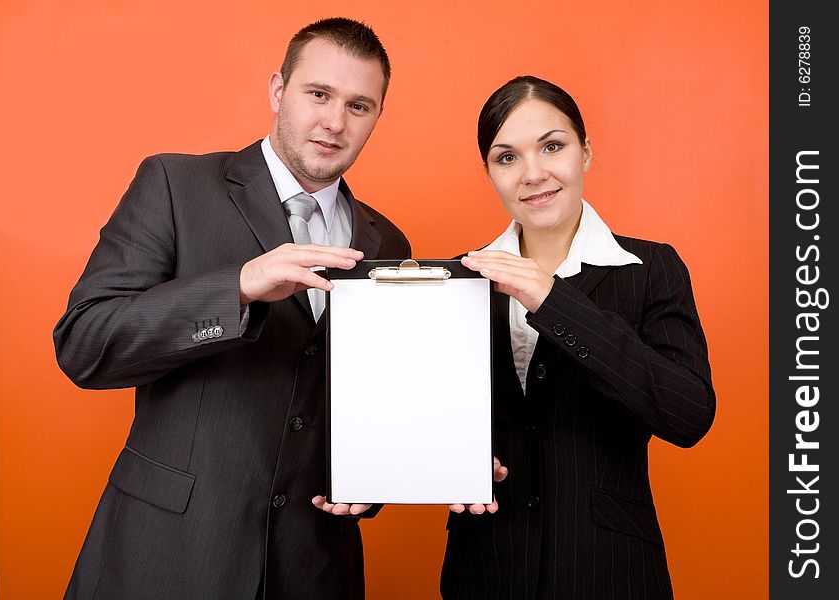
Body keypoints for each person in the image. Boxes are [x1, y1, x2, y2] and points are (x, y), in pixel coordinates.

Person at [53, 17, 410, 600]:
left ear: (376, 118)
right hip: (171, 555)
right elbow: (85, 346)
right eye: (318, 94)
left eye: (359, 105)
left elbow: (371, 399)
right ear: (278, 90)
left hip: (316, 567)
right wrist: (239, 286)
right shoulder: (175, 183)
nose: (334, 122)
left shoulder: (388, 244)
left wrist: (378, 477)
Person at [441, 76, 715, 599]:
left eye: (552, 146)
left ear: (585, 152)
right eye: (507, 157)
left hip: (609, 570)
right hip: (486, 568)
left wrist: (554, 301)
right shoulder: (460, 278)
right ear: (489, 173)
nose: (534, 174)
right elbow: (430, 416)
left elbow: (688, 414)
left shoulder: (651, 268)